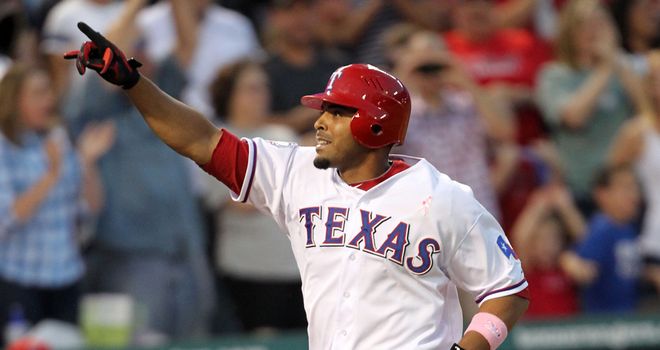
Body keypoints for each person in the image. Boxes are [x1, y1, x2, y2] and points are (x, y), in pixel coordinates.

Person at [64, 22, 529, 350]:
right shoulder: (294, 171)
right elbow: (201, 140)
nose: (320, 122)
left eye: (337, 112)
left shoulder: (443, 197)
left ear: (374, 125)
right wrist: (132, 83)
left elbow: (507, 291)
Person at [0, 63, 113, 342]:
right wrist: (51, 174)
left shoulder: (59, 138)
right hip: (20, 279)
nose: (48, 101)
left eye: (49, 92)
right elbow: (6, 218)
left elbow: (92, 207)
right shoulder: (4, 147)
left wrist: (86, 162)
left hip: (66, 276)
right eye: (38, 93)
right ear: (15, 99)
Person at [205, 59, 305, 332]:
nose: (261, 95)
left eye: (263, 88)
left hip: (296, 268)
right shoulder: (215, 139)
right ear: (229, 94)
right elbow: (238, 202)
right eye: (251, 88)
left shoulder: (283, 135)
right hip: (248, 268)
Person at [535, 0, 649, 217]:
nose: (593, 32)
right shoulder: (554, 75)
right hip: (581, 192)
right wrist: (605, 68)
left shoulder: (627, 68)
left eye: (600, 24)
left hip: (629, 192)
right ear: (570, 32)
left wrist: (615, 62)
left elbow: (648, 110)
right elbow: (574, 117)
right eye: (585, 25)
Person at [560, 165, 642, 313]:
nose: (634, 194)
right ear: (603, 194)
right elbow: (583, 269)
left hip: (628, 317)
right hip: (606, 322)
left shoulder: (628, 227)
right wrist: (571, 262)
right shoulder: (602, 228)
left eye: (635, 186)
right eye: (625, 188)